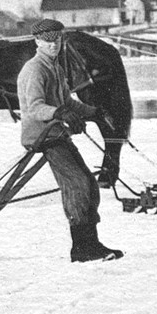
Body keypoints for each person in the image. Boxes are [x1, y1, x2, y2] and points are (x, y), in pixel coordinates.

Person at [18, 18, 122, 261]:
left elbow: (67, 101)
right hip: (42, 135)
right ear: (37, 42)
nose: (53, 45)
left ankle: (90, 244)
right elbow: (34, 108)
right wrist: (58, 113)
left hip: (57, 133)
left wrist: (93, 112)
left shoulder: (55, 67)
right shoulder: (35, 69)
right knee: (78, 184)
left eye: (57, 40)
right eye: (47, 41)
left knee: (88, 183)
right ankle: (82, 248)